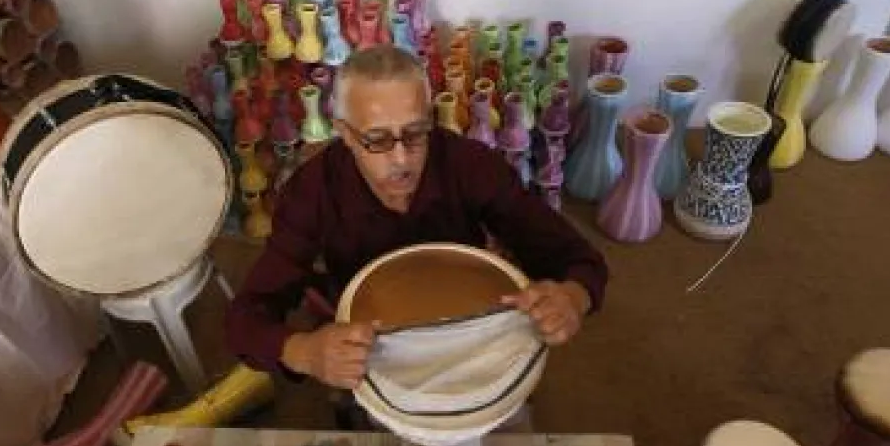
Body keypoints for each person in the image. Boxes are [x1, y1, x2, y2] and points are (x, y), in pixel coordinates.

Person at [226, 45, 608, 390]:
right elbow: (245, 318)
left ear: (431, 118)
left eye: (415, 132)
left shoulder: (469, 164)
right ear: (342, 132)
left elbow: (578, 258)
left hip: (467, 320)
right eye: (376, 139)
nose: (401, 160)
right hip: (368, 336)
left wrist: (572, 298)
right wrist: (306, 351)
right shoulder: (312, 192)